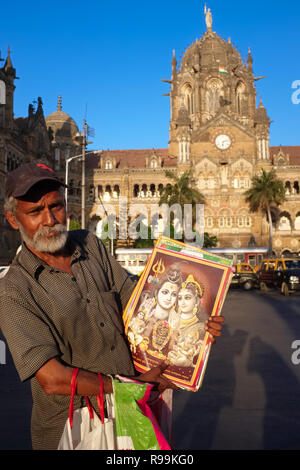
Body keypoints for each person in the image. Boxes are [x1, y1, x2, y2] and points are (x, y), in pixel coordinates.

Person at [0, 162, 224, 450]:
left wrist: (194, 325)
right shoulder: (15, 289)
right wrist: (130, 386)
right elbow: (52, 379)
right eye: (34, 212)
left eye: (55, 206)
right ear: (12, 219)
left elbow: (139, 305)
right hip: (74, 426)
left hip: (132, 410)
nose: (49, 219)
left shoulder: (90, 245)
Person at [168, 274, 209, 367]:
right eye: (179, 298)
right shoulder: (171, 318)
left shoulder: (201, 327)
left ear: (197, 301)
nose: (182, 302)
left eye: (187, 297)